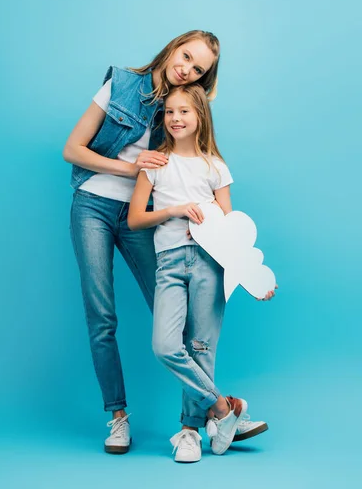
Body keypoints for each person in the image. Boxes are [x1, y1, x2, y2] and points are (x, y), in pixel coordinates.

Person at [63, 30, 222, 453]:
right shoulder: (120, 85)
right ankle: (119, 419)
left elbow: (192, 168)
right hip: (93, 206)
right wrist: (129, 169)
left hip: (140, 219)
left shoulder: (177, 110)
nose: (186, 67)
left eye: (198, 69)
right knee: (102, 319)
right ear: (173, 46)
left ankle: (200, 418)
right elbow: (72, 149)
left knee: (176, 323)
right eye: (186, 55)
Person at [128, 84, 275, 462]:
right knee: (165, 345)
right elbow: (135, 219)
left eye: (184, 112)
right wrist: (175, 211)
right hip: (170, 262)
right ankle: (224, 409)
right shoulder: (155, 163)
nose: (176, 118)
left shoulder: (215, 167)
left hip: (211, 262)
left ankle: (190, 431)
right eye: (170, 112)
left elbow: (231, 230)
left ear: (199, 117)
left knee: (201, 349)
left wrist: (253, 279)